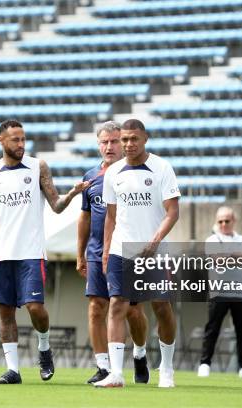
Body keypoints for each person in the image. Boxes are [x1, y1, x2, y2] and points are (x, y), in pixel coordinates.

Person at [0, 119, 89, 384]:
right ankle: (13, 370)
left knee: (36, 308)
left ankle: (44, 347)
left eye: (23, 139)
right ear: (1, 141)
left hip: (31, 252)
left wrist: (72, 194)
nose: (21, 144)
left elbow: (56, 205)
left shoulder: (38, 167)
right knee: (6, 313)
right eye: (15, 139)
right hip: (1, 254)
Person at [94, 119, 181, 388]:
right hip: (122, 249)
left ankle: (166, 368)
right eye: (124, 140)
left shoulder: (162, 168)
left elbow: (173, 212)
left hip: (154, 252)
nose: (129, 144)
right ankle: (117, 373)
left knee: (161, 307)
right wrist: (107, 250)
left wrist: (155, 241)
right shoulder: (113, 172)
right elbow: (110, 217)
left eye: (134, 139)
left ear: (145, 139)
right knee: (117, 305)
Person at [76, 121, 150, 385]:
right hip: (98, 251)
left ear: (124, 142)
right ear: (98, 145)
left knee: (132, 311)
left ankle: (140, 353)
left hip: (129, 250)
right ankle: (104, 367)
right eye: (104, 142)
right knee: (97, 307)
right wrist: (80, 253)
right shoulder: (90, 177)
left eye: (115, 141)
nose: (110, 146)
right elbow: (84, 217)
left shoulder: (135, 173)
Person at [198, 207, 242, 379]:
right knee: (212, 330)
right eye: (220, 221)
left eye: (227, 220)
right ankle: (205, 364)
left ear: (234, 221)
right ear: (217, 222)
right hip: (219, 293)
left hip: (241, 294)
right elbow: (217, 259)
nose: (224, 224)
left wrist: (229, 254)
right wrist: (238, 255)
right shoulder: (212, 239)